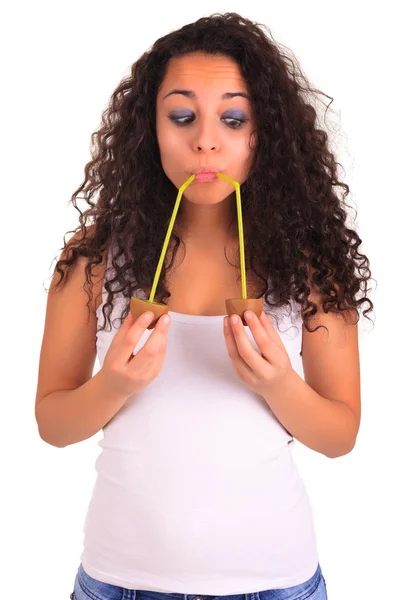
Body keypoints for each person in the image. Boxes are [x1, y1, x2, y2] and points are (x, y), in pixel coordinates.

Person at [35, 12, 374, 600]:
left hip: (275, 585)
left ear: (263, 132)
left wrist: (278, 384)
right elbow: (52, 424)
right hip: (119, 583)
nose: (206, 141)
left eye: (233, 118)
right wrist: (112, 385)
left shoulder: (310, 263)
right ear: (150, 130)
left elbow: (340, 434)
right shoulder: (94, 257)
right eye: (183, 116)